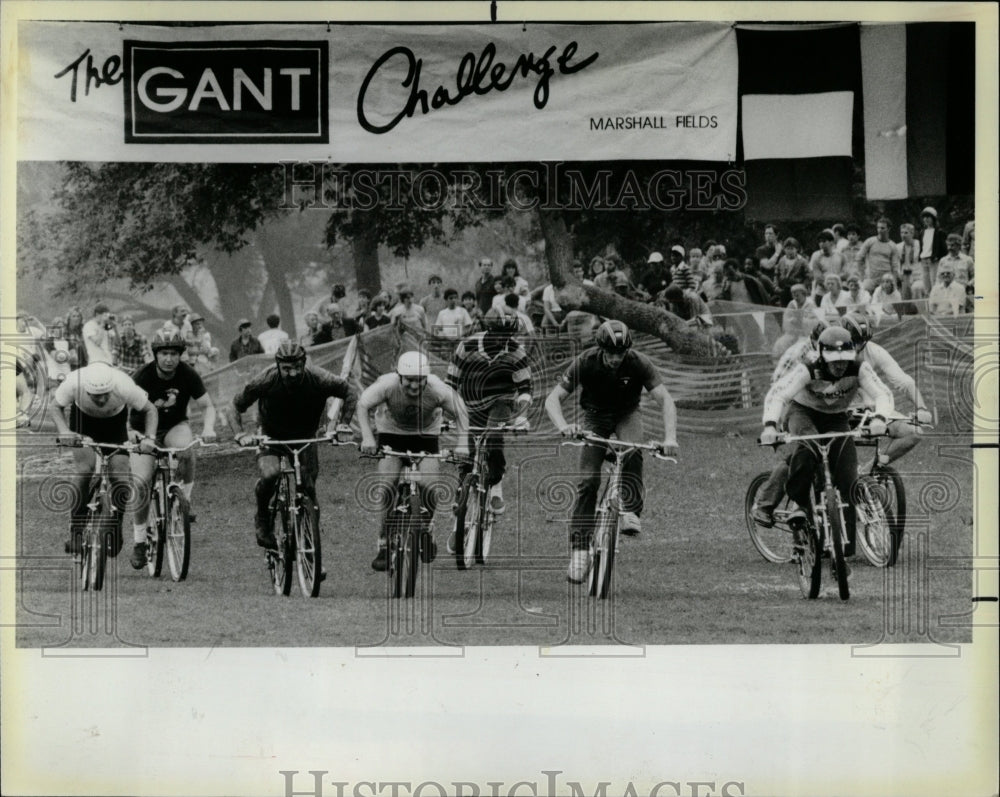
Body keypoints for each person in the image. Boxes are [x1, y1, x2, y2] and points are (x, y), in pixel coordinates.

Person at [544, 320, 679, 583]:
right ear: (601, 349)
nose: (616, 358)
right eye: (611, 353)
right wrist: (563, 426)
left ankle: (630, 510)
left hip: (627, 414)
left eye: (621, 353)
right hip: (595, 416)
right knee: (588, 481)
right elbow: (553, 398)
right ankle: (580, 549)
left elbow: (665, 399)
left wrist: (670, 437)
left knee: (632, 450)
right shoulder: (586, 361)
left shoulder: (639, 362)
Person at [757, 327, 892, 556]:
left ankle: (843, 547)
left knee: (848, 474)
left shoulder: (859, 368)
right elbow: (778, 393)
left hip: (836, 417)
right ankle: (799, 508)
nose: (839, 366)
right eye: (833, 361)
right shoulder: (808, 368)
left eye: (844, 360)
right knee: (808, 449)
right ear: (821, 355)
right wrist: (770, 424)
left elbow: (882, 394)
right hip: (803, 412)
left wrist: (880, 418)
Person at [230, 342, 358, 549]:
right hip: (271, 435)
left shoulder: (319, 378)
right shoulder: (266, 379)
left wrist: (344, 424)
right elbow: (236, 405)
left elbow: (350, 392)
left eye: (297, 366)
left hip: (305, 437)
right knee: (270, 475)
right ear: (278, 366)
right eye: (286, 368)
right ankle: (262, 519)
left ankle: (309, 548)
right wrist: (239, 433)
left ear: (304, 362)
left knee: (308, 488)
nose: (293, 373)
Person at [357, 350, 469, 571]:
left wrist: (463, 444)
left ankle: (425, 529)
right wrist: (368, 437)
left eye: (419, 381)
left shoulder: (438, 389)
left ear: (426, 378)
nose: (415, 386)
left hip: (425, 435)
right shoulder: (386, 385)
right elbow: (362, 405)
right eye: (409, 380)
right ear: (399, 376)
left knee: (430, 488)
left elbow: (461, 413)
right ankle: (384, 543)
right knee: (387, 487)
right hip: (392, 433)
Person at [48, 361, 159, 557]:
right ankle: (76, 531)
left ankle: (115, 524)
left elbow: (151, 410)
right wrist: (65, 431)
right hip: (83, 422)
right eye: (95, 396)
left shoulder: (123, 384)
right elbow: (55, 406)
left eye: (105, 395)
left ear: (112, 388)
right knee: (85, 471)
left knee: (121, 477)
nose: (100, 400)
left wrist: (149, 438)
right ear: (86, 389)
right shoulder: (74, 382)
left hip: (114, 425)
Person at [127, 332, 218, 568]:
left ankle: (184, 502)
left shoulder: (188, 374)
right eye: (164, 353)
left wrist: (208, 427)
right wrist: (130, 432)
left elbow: (207, 406)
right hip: (143, 430)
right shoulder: (142, 376)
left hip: (173, 426)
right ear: (156, 355)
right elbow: (120, 409)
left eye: (174, 354)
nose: (169, 359)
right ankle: (139, 541)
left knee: (186, 450)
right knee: (141, 483)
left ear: (180, 355)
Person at [446, 306, 532, 524]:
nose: (503, 340)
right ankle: (462, 489)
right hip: (471, 403)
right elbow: (451, 384)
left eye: (507, 336)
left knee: (494, 437)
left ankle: (496, 484)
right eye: (498, 335)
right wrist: (450, 412)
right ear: (488, 330)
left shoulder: (516, 351)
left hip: (501, 400)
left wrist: (521, 415)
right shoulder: (467, 346)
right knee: (467, 449)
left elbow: (525, 388)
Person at [772, 284, 823, 359]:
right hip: (792, 332)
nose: (795, 298)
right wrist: (792, 321)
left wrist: (802, 321)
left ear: (804, 294)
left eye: (797, 295)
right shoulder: (792, 304)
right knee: (780, 344)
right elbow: (786, 318)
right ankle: (780, 361)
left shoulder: (810, 304)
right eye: (793, 295)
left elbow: (815, 322)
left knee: (800, 348)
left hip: (805, 334)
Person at [855, 217, 901, 293]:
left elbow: (895, 267)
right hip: (871, 279)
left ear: (888, 229)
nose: (879, 230)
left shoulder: (893, 245)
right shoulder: (870, 241)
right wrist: (862, 276)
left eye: (882, 228)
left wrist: (894, 283)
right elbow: (859, 258)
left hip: (886, 280)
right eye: (878, 228)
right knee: (864, 291)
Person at [917, 207, 947, 293]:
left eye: (928, 217)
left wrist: (937, 257)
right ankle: (929, 302)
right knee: (926, 284)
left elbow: (944, 249)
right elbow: (922, 246)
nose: (926, 219)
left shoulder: (939, 232)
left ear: (933, 218)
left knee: (935, 282)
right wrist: (920, 256)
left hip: (933, 260)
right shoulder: (922, 232)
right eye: (924, 217)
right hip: (924, 260)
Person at [774, 237, 810, 306]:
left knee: (796, 307)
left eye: (792, 249)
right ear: (784, 249)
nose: (790, 251)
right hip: (783, 290)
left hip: (797, 289)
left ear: (797, 249)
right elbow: (776, 274)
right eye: (788, 249)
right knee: (784, 308)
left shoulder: (802, 261)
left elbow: (808, 276)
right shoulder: (782, 260)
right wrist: (776, 286)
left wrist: (803, 287)